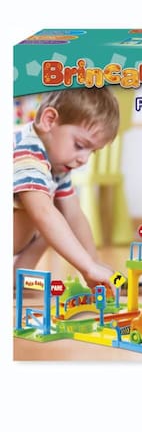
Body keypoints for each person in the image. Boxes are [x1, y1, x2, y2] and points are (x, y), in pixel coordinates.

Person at [13, 87, 120, 292]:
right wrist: (88, 268)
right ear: (49, 120)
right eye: (80, 145)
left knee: (59, 219)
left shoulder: (56, 163)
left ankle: (16, 274)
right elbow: (43, 213)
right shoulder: (26, 152)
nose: (84, 159)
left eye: (92, 152)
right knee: (47, 214)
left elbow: (74, 215)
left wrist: (93, 262)